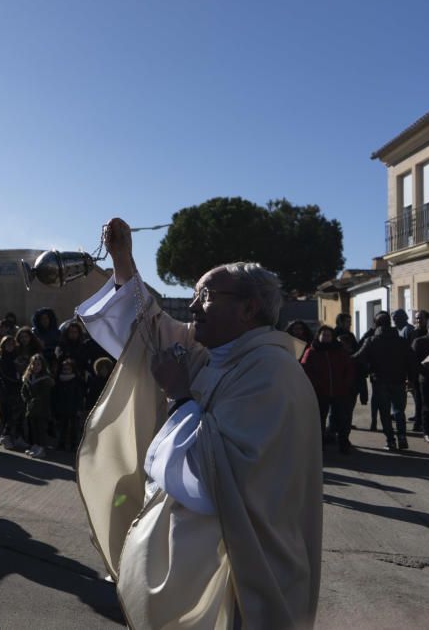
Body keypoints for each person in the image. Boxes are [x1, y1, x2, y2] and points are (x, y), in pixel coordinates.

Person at [76, 218, 321, 629]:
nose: (191, 307)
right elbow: (149, 331)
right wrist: (122, 263)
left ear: (248, 308)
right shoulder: (216, 351)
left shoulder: (269, 372)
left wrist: (180, 397)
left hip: (241, 574)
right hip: (205, 565)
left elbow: (212, 478)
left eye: (204, 296)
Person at [353, 311, 419, 451]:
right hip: (399, 380)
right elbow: (411, 361)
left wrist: (367, 366)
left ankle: (390, 440)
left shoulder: (371, 341)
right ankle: (402, 437)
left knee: (384, 412)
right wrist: (411, 379)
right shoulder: (401, 341)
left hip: (380, 380)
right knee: (399, 411)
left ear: (376, 324)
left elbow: (358, 358)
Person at [300, 326, 357, 454]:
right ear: (318, 336)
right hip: (320, 393)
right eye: (323, 335)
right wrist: (316, 384)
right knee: (319, 420)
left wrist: (345, 384)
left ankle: (343, 443)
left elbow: (349, 369)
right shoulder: (311, 351)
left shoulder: (339, 351)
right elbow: (305, 370)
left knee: (342, 419)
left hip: (339, 392)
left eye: (328, 335)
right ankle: (319, 446)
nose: (326, 337)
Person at [0, 336, 28, 451]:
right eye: (7, 344)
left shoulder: (17, 357)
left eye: (12, 344)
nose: (10, 346)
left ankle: (18, 437)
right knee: (10, 415)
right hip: (7, 391)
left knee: (19, 415)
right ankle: (5, 435)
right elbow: (6, 375)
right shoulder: (1, 359)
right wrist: (18, 378)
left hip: (18, 390)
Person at [21, 353, 53, 459]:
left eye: (38, 364)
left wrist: (35, 400)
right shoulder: (28, 377)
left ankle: (41, 448)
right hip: (31, 408)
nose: (35, 366)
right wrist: (27, 400)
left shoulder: (45, 379)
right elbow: (24, 391)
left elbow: (44, 394)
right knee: (32, 428)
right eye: (33, 364)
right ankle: (35, 445)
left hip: (42, 408)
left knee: (41, 429)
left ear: (42, 366)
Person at [52, 357, 85, 452]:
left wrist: (79, 408)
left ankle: (74, 445)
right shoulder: (59, 380)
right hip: (62, 407)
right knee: (62, 427)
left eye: (68, 368)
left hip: (73, 408)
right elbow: (55, 395)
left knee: (74, 428)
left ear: (72, 368)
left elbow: (79, 396)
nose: (66, 370)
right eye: (64, 368)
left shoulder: (76, 380)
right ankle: (61, 443)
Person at [409, 311, 429, 429]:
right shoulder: (413, 333)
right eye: (417, 318)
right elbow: (408, 353)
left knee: (427, 400)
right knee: (418, 399)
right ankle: (418, 422)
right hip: (416, 372)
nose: (418, 321)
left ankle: (426, 423)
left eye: (420, 318)